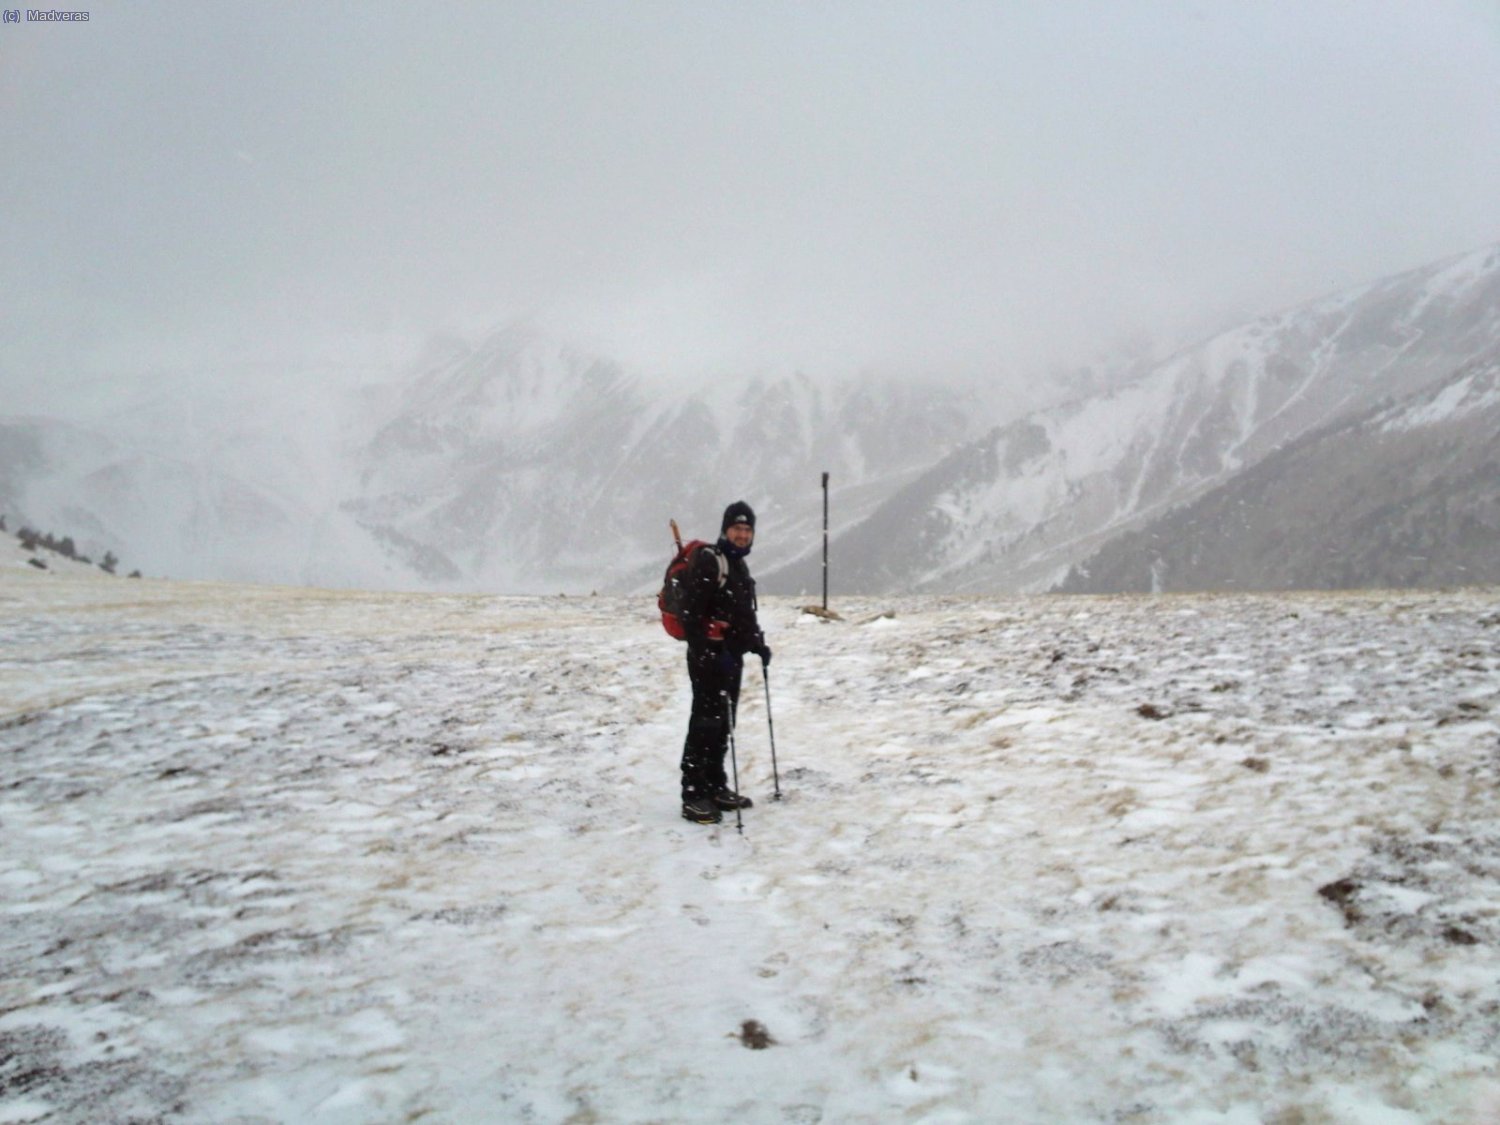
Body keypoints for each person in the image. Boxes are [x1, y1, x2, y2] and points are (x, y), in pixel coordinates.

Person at [677, 500, 772, 824]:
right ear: (725, 529)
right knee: (705, 722)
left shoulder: (738, 565)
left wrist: (757, 642)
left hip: (730, 657)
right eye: (737, 528)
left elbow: (742, 613)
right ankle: (693, 794)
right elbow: (691, 613)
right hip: (709, 657)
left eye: (747, 530)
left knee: (724, 722)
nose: (742, 535)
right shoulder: (710, 561)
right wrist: (704, 651)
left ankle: (716, 785)